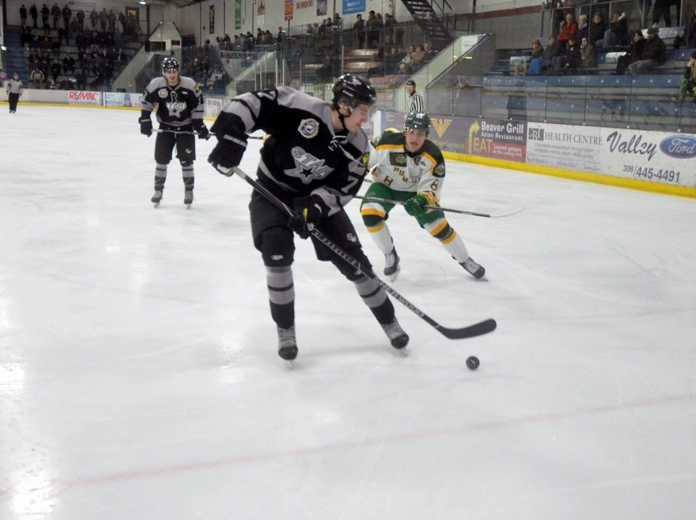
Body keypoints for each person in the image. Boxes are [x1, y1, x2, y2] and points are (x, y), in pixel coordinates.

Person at [206, 74, 409, 362]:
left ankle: (390, 322)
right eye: (363, 111)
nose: (366, 119)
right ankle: (285, 330)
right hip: (271, 190)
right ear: (343, 104)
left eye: (369, 112)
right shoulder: (299, 106)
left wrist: (316, 207)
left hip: (314, 200)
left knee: (357, 264)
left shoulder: (359, 146)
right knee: (276, 252)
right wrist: (232, 134)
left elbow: (345, 187)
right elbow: (250, 103)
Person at [360, 112, 486, 282]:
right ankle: (390, 254)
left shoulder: (433, 156)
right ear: (405, 132)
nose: (414, 137)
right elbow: (365, 157)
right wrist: (356, 170)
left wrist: (421, 200)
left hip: (415, 192)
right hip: (385, 185)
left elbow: (430, 189)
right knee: (369, 212)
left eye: (420, 133)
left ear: (426, 135)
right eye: (411, 132)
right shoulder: (386, 140)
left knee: (438, 226)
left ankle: (465, 259)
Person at [138, 57, 209, 208]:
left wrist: (199, 125)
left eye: (174, 71)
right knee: (161, 160)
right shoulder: (156, 84)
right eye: (169, 72)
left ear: (178, 71)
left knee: (186, 161)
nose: (172, 75)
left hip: (185, 128)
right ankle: (158, 191)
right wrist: (145, 119)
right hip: (166, 128)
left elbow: (198, 104)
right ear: (164, 72)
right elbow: (146, 102)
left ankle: (188, 191)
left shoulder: (190, 85)